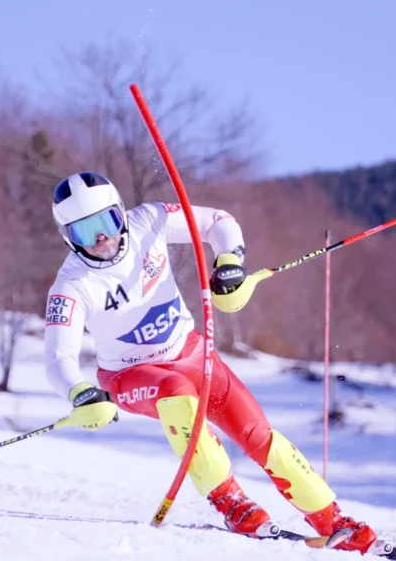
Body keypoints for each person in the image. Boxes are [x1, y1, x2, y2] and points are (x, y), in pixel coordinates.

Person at [43, 171, 377, 554]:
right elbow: (58, 357)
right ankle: (230, 500)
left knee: (258, 434)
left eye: (106, 221)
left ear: (120, 213)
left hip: (192, 354)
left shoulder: (148, 221)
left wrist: (230, 261)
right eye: (86, 231)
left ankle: (332, 519)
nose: (102, 237)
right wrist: (79, 391)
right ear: (68, 236)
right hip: (129, 376)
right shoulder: (71, 285)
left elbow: (218, 222)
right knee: (176, 392)